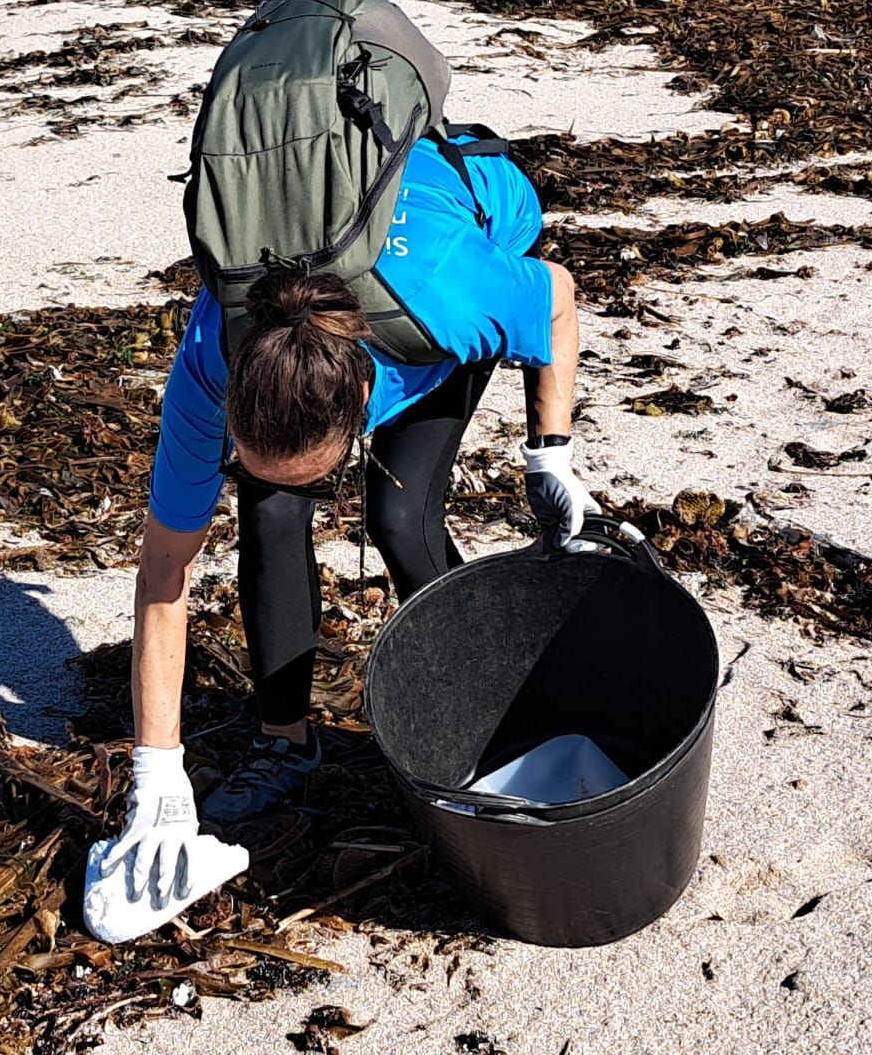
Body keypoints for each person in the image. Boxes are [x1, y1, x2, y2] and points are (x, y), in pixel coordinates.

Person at [102, 130, 591, 910]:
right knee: (267, 515)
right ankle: (283, 740)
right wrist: (156, 772)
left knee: (401, 517)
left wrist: (550, 456)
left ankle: (485, 728)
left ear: (361, 413)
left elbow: (557, 295)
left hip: (457, 236)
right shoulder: (208, 361)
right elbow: (165, 571)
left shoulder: (452, 298)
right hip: (322, 307)